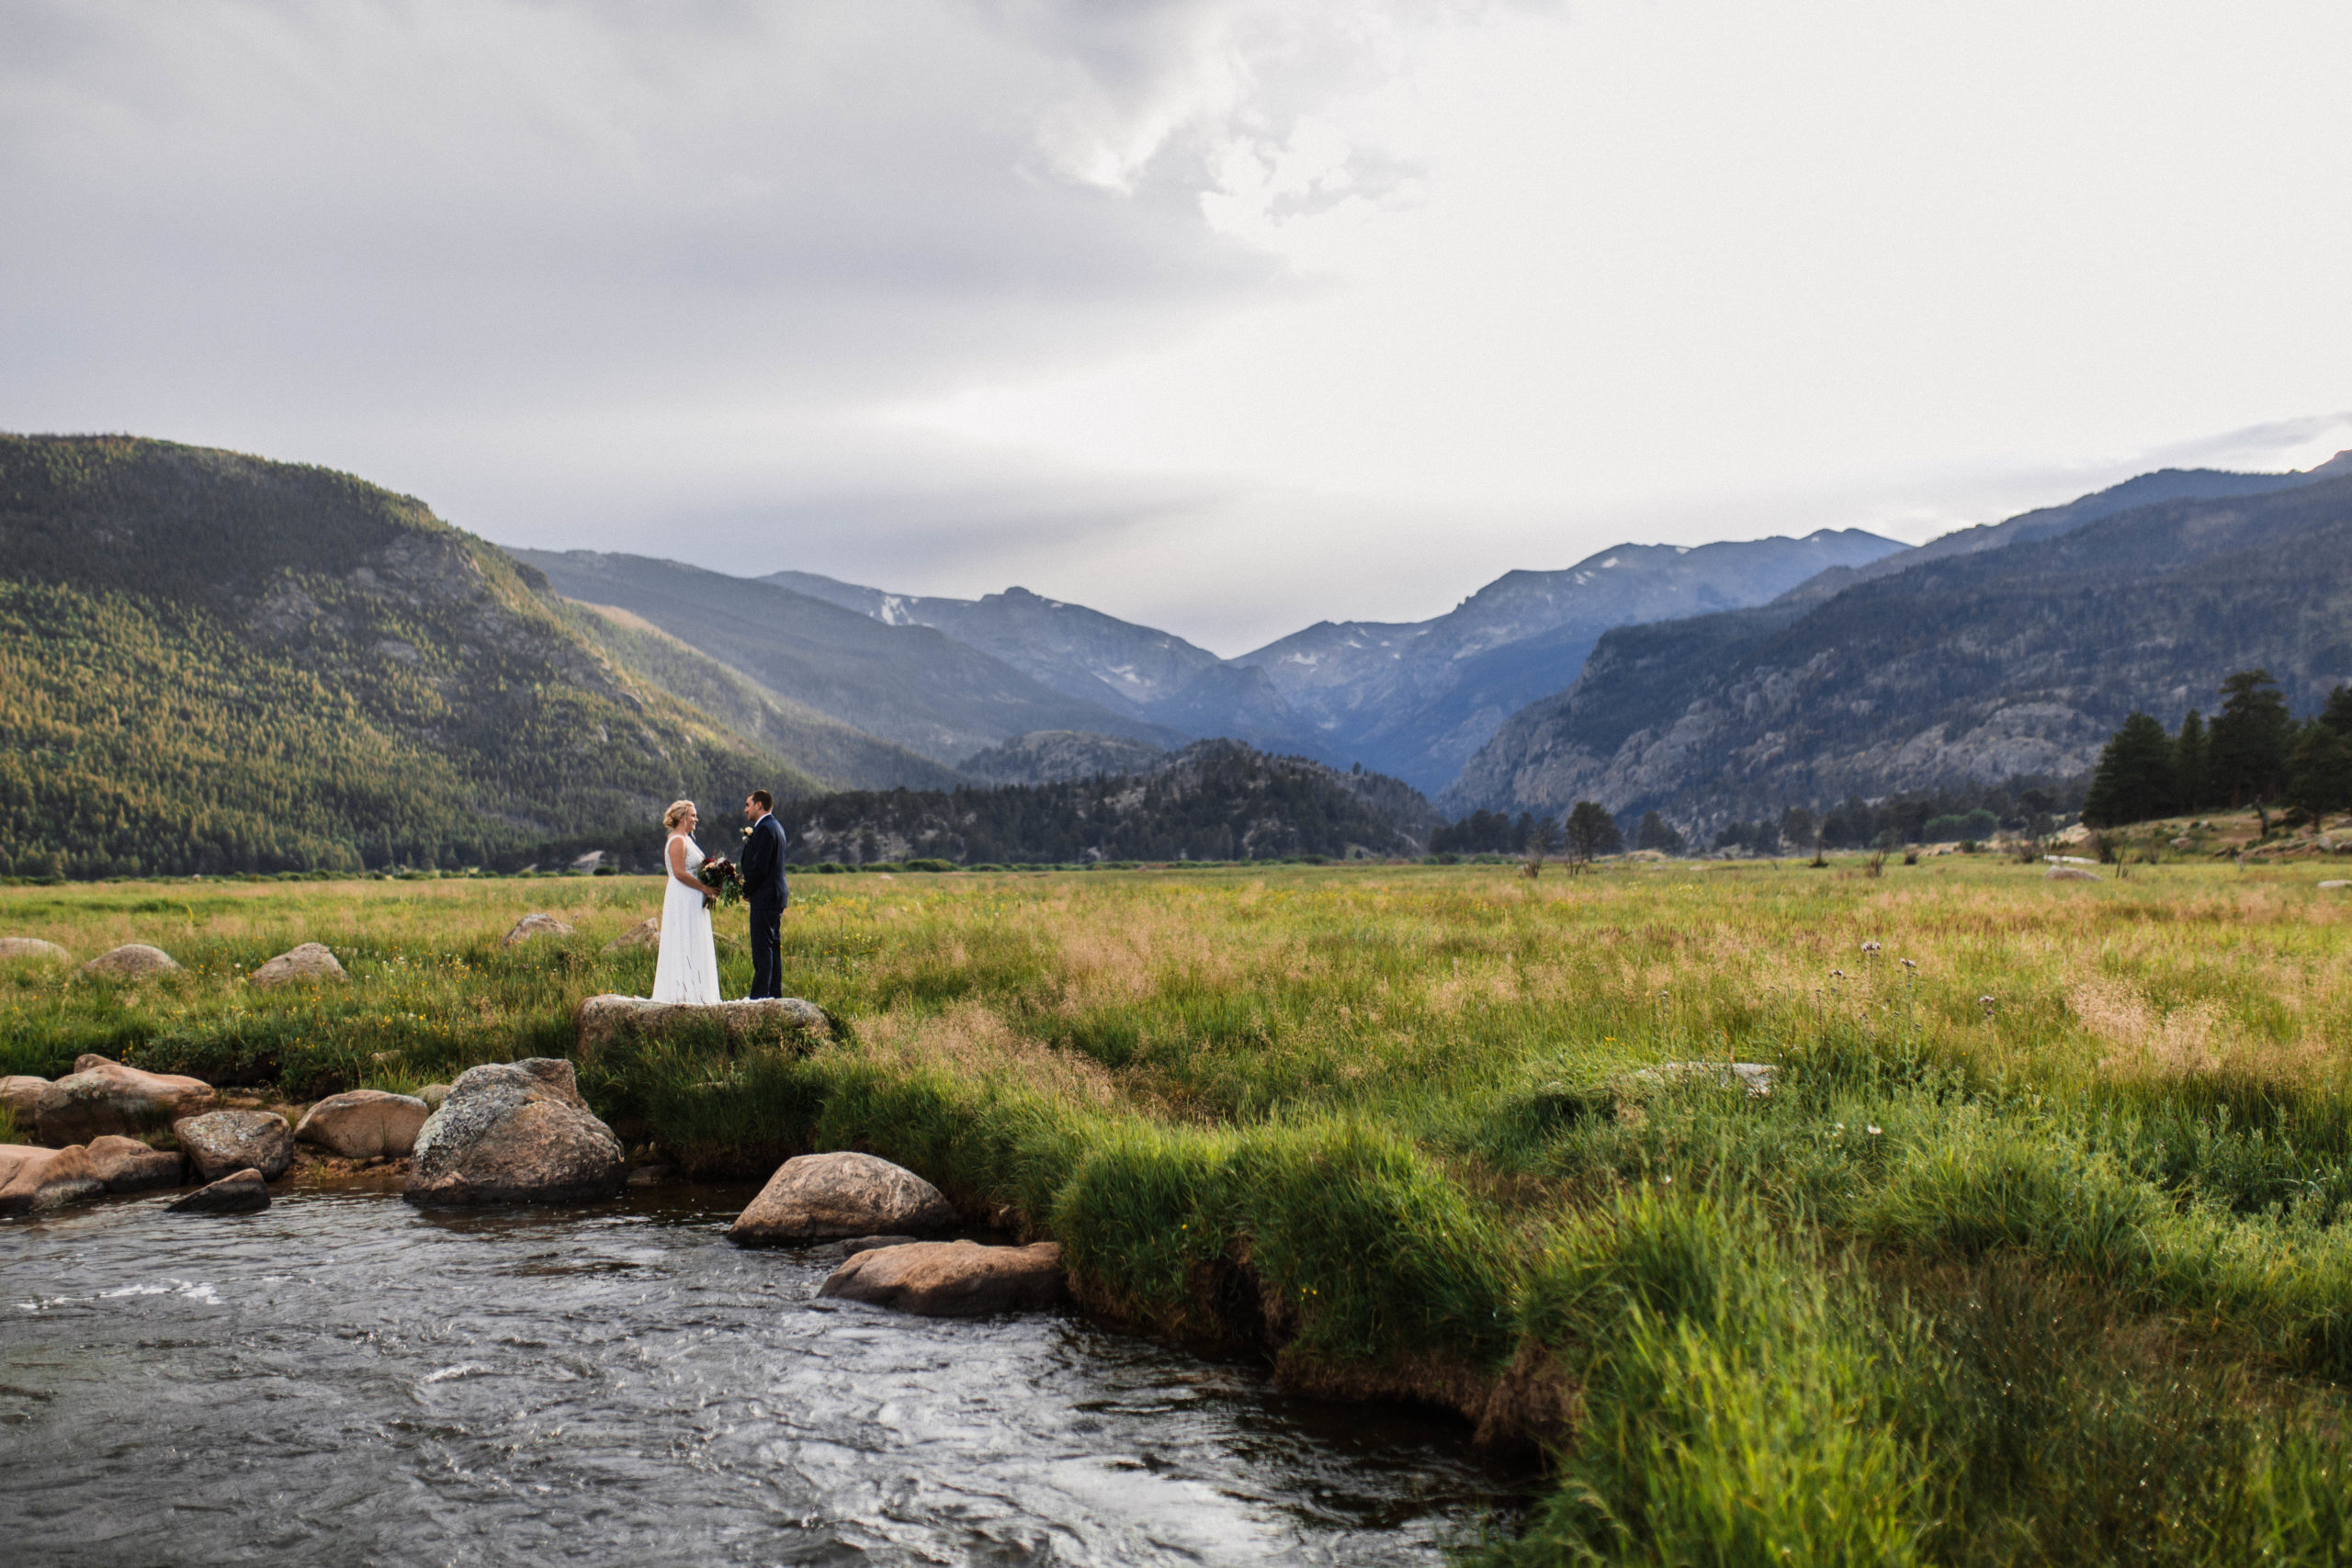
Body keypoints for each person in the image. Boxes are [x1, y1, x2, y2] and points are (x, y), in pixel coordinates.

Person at [650, 799, 721, 1005]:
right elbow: (680, 873)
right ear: (681, 817)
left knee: (693, 937)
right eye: (692, 815)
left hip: (692, 896)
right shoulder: (677, 841)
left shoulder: (686, 839)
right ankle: (682, 991)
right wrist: (705, 888)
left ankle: (697, 989)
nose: (696, 819)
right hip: (683, 896)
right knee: (683, 937)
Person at [740, 789, 790, 999]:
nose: (746, 809)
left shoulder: (765, 829)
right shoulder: (776, 827)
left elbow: (760, 867)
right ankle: (773, 994)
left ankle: (760, 998)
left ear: (759, 805)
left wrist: (746, 890)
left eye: (748, 804)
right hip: (775, 896)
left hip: (765, 896)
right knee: (771, 948)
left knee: (762, 951)